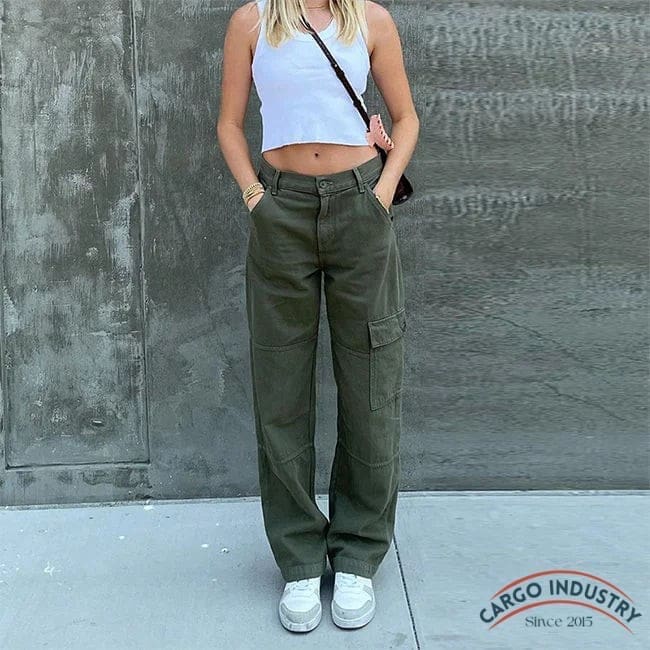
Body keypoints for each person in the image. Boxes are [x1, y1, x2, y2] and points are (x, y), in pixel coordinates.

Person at [216, 0, 419, 633]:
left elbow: (407, 118)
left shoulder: (371, 20)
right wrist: (255, 196)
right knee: (281, 389)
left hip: (359, 206)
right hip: (280, 210)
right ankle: (300, 559)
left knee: (371, 383)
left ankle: (357, 554)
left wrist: (380, 194)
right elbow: (229, 123)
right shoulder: (253, 21)